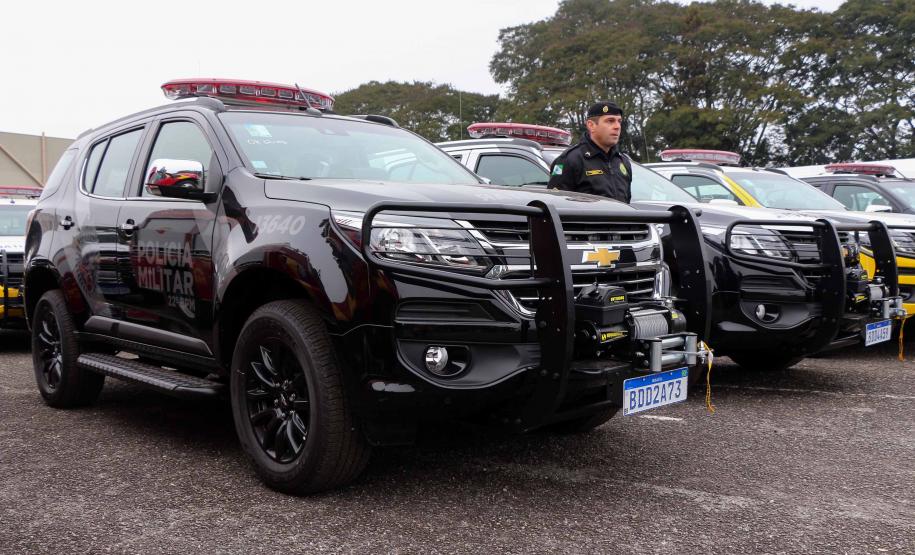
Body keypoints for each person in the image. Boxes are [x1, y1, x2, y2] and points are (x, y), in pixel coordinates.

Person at [547, 101, 632, 203]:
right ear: (591, 125)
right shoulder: (570, 160)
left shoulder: (622, 161)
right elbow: (556, 204)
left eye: (619, 121)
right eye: (610, 121)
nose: (617, 126)